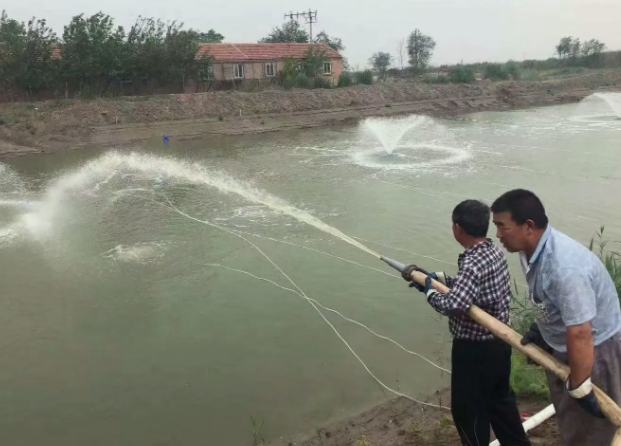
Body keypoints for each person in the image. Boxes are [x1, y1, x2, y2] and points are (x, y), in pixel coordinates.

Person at [491, 189, 621, 445]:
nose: (497, 235)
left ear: (528, 226)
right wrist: (542, 329)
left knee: (592, 430)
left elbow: (581, 332)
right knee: (572, 420)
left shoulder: (564, 267)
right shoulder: (529, 252)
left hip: (594, 352)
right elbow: (552, 301)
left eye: (501, 226)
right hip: (568, 347)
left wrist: (581, 386)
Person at [402, 199, 531, 446]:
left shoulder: (472, 262)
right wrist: (438, 280)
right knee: (501, 406)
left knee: (468, 412)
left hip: (475, 352)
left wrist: (430, 292)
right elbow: (472, 293)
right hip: (499, 344)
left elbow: (456, 305)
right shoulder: (492, 251)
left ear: (457, 229)